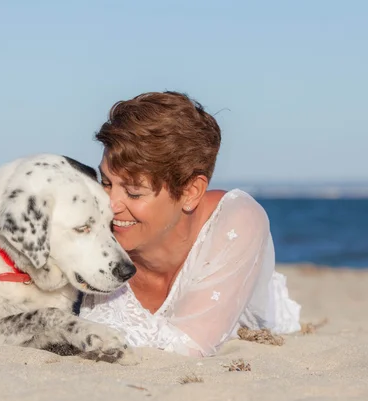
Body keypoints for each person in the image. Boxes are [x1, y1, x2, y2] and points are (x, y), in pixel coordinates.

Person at [78, 91, 301, 357]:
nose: (109, 204)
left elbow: (189, 345)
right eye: (105, 182)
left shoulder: (237, 220)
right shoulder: (86, 221)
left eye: (134, 191)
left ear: (190, 192)